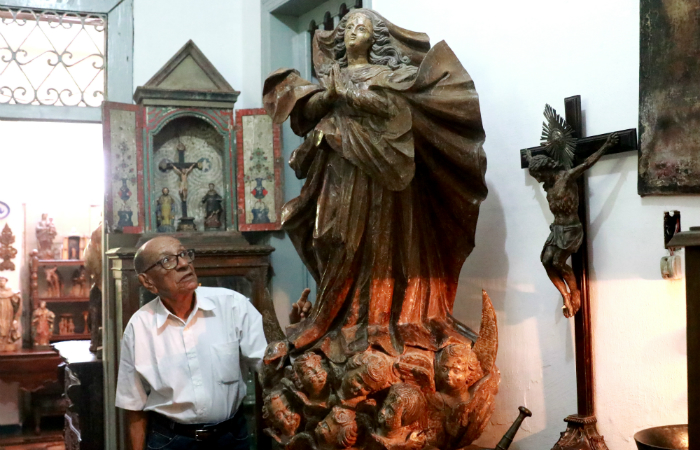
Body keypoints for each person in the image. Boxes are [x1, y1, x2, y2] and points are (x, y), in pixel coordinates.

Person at [263, 9, 488, 361]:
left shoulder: (389, 73)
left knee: (375, 244)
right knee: (331, 237)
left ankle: (373, 320)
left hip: (381, 172)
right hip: (338, 170)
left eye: (363, 27)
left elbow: (393, 108)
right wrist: (330, 93)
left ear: (375, 38)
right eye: (349, 26)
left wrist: (348, 95)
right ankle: (336, 317)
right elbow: (305, 117)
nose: (354, 31)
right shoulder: (329, 77)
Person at [115, 236, 267, 450]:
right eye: (168, 260)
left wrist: (295, 338)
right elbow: (133, 404)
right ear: (147, 282)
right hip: (171, 440)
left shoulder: (232, 305)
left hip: (231, 437)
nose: (184, 264)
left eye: (184, 254)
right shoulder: (139, 327)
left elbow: (269, 366)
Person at [526, 133, 618, 317]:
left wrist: (606, 146)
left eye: (538, 175)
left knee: (558, 262)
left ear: (545, 169)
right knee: (546, 261)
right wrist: (529, 157)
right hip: (557, 228)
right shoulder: (550, 185)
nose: (538, 180)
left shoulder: (566, 178)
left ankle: (575, 291)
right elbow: (535, 163)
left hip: (571, 229)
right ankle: (566, 296)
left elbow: (588, 163)